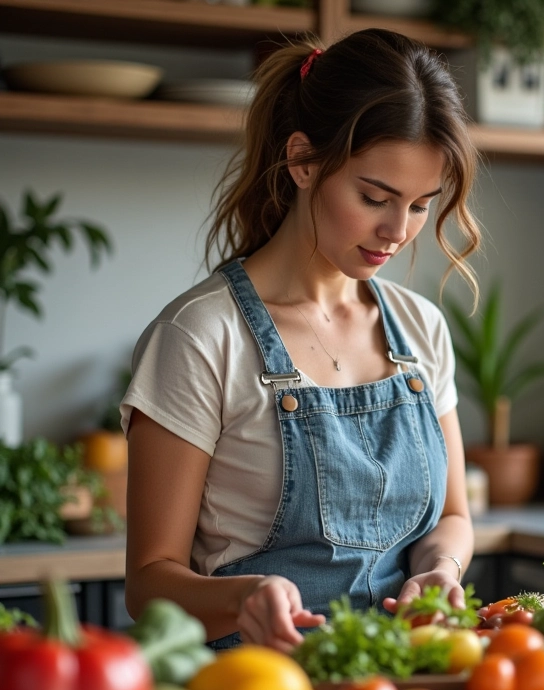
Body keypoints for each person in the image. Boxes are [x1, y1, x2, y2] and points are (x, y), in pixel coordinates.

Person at [121, 27, 482, 653]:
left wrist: (440, 571)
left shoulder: (421, 328)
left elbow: (452, 518)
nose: (397, 230)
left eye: (423, 204)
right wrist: (242, 599)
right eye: (375, 197)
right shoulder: (201, 337)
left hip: (398, 682)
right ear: (302, 161)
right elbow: (149, 583)